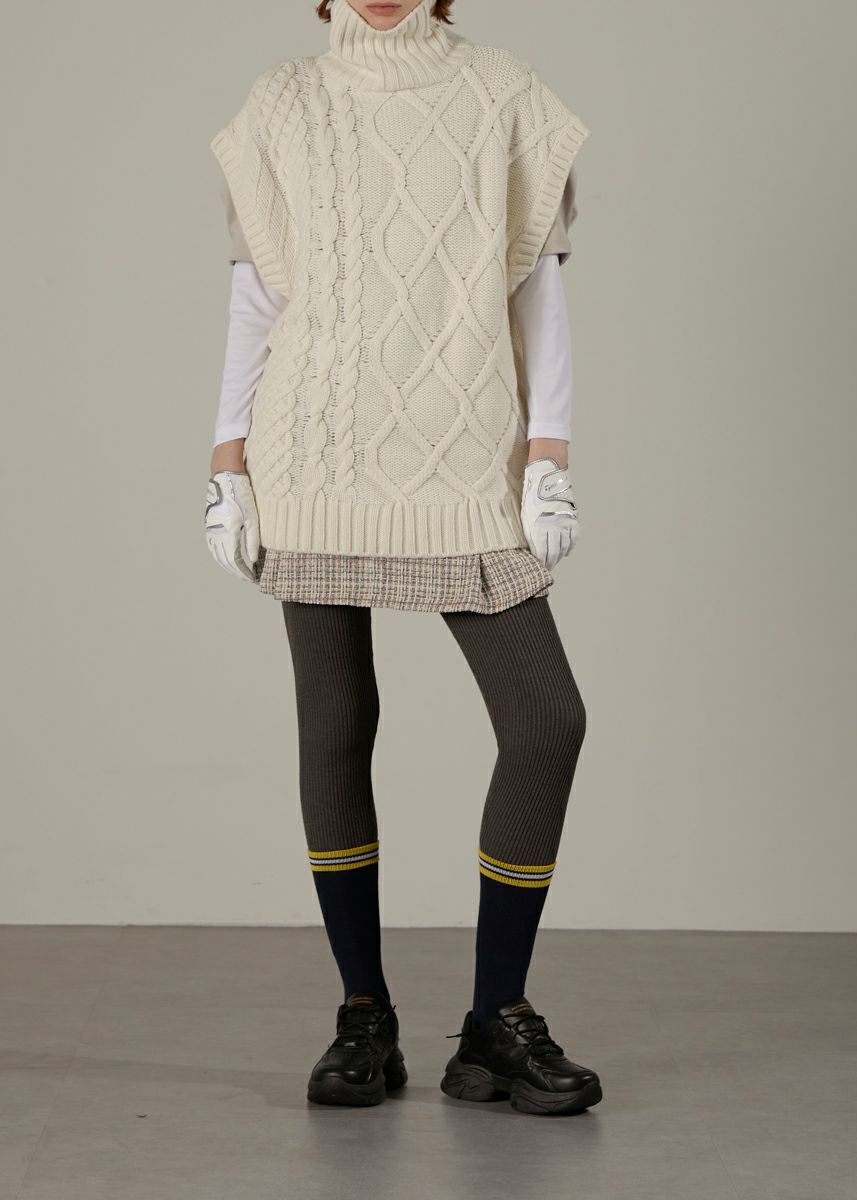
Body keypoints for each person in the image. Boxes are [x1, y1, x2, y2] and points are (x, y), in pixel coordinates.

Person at [205, 0, 601, 1116]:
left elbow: (537, 285)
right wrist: (227, 458)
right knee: (336, 727)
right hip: (313, 453)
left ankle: (495, 1022)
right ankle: (362, 1017)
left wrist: (549, 453)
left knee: (547, 719)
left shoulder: (503, 92)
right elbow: (257, 294)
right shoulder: (282, 102)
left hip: (462, 455)